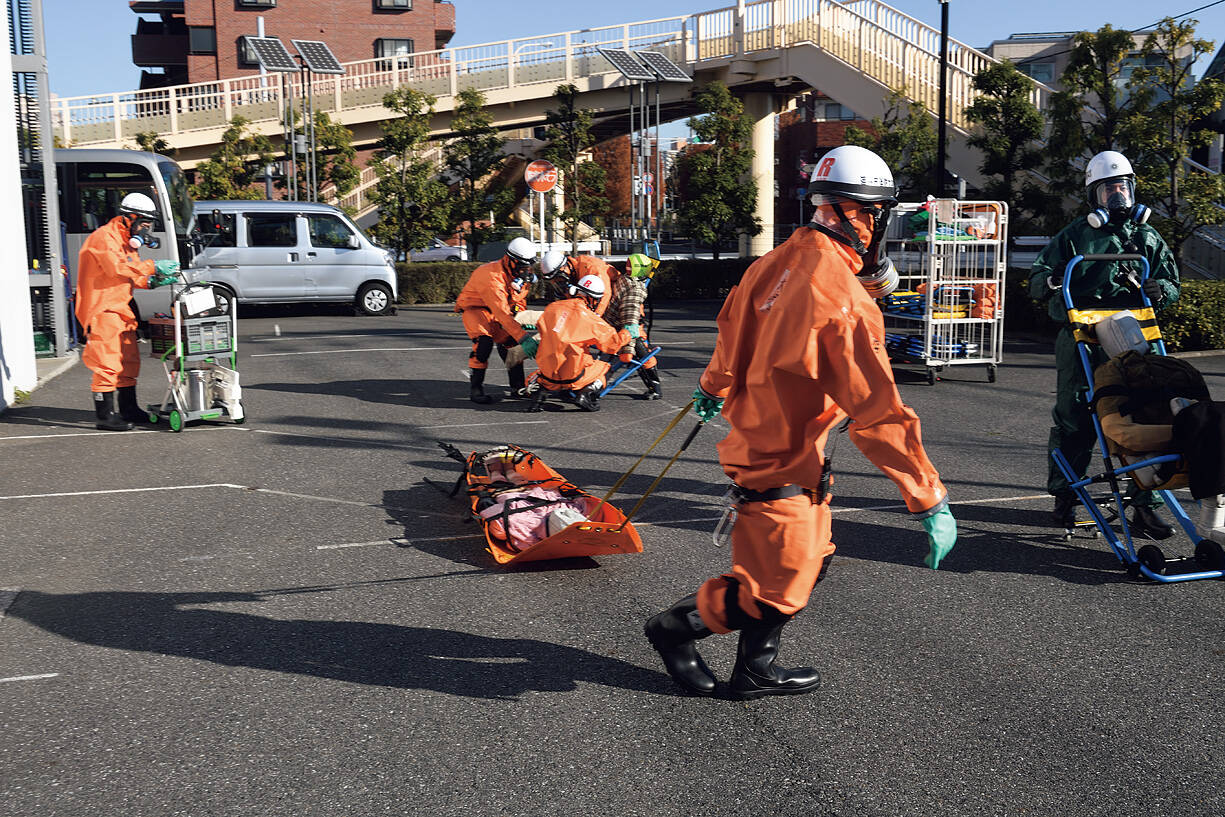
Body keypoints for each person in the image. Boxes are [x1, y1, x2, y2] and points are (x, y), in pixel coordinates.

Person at [642, 144, 957, 700]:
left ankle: (756, 668)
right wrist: (928, 496)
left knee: (816, 558)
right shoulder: (841, 298)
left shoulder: (772, 263)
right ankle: (672, 631)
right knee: (775, 591)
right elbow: (877, 409)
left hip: (778, 450)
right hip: (780, 460)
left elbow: (731, 334)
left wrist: (711, 388)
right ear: (867, 214)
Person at [1028, 150, 1180, 538]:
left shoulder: (1147, 237)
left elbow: (1172, 284)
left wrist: (1159, 288)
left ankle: (1145, 504)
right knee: (1076, 420)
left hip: (1132, 337)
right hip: (1083, 338)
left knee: (1144, 418)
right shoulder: (1076, 236)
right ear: (1094, 195)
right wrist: (1052, 280)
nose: (1117, 196)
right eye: (1108, 189)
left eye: (1123, 188)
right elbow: (1037, 278)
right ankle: (1065, 497)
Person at [75, 192, 179, 431]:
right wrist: (153, 266)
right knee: (107, 363)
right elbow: (116, 269)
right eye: (143, 223)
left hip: (121, 307)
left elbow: (132, 273)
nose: (146, 229)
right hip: (102, 308)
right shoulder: (103, 238)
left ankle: (128, 408)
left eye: (149, 224)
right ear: (128, 217)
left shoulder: (125, 240)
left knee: (128, 361)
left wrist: (152, 281)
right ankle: (105, 416)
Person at [526, 273, 630, 412]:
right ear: (594, 299)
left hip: (548, 375)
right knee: (605, 367)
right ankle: (586, 394)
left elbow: (547, 328)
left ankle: (538, 395)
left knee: (535, 376)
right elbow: (612, 345)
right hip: (574, 377)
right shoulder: (592, 319)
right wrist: (628, 332)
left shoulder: (552, 307)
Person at [454, 237, 539, 404]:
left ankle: (517, 388)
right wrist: (524, 337)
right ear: (511, 260)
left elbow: (518, 302)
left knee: (512, 345)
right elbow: (501, 313)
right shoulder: (492, 276)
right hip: (476, 309)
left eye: (529, 266)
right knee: (483, 344)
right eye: (523, 266)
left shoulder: (521, 276)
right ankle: (476, 389)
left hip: (500, 311)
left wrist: (520, 317)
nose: (526, 270)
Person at [602, 252, 663, 400]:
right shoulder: (636, 288)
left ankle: (597, 383)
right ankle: (655, 389)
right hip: (622, 329)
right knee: (644, 356)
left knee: (633, 356)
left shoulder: (623, 279)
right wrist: (628, 346)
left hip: (610, 323)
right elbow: (630, 319)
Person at [538, 250, 614, 316]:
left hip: (614, 296)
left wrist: (595, 318)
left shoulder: (591, 268)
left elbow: (605, 295)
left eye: (558, 278)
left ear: (565, 267)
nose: (558, 282)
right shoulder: (572, 274)